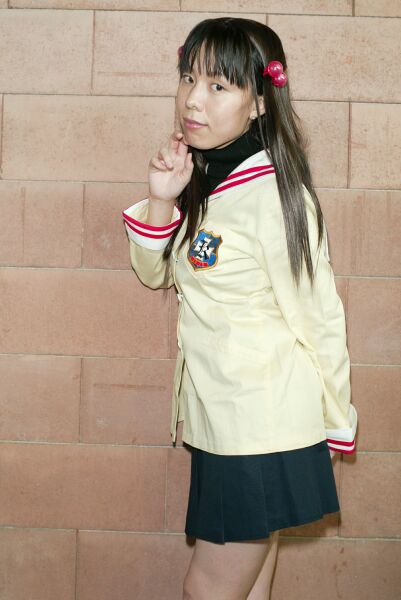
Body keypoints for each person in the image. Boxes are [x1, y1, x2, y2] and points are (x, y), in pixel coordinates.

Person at [122, 17, 358, 600]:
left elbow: (319, 317)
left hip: (261, 428)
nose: (192, 100)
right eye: (188, 78)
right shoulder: (205, 178)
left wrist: (337, 423)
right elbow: (155, 273)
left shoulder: (275, 196)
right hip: (227, 422)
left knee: (207, 590)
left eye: (218, 86)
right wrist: (161, 200)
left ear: (259, 102)